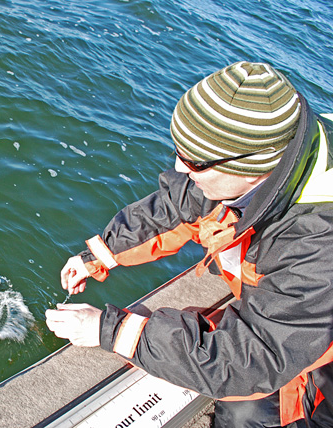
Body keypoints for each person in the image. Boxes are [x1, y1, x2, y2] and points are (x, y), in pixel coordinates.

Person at [45, 61, 333, 427]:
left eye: (194, 161)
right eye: (180, 152)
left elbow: (252, 360)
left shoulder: (318, 247)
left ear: (251, 168)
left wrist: (109, 330)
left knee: (245, 413)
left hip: (319, 359)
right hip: (293, 322)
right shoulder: (274, 149)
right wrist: (97, 256)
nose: (180, 169)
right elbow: (182, 204)